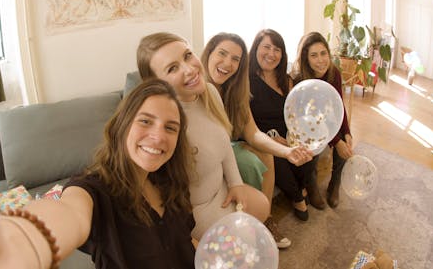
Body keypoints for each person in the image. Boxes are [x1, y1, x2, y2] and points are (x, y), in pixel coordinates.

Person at [0, 79, 197, 269]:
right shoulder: (92, 190)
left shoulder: (171, 182)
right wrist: (15, 242)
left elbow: (184, 240)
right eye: (145, 121)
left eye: (170, 128)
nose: (158, 136)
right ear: (122, 125)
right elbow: (69, 215)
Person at [137, 32, 270, 240]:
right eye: (173, 68)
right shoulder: (164, 126)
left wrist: (236, 183)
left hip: (223, 192)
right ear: (155, 83)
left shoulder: (209, 92)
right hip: (198, 213)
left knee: (263, 206)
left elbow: (225, 144)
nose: (190, 69)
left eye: (188, 55)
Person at [200, 32, 313, 248]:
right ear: (209, 53)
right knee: (252, 159)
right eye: (222, 54)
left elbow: (253, 133)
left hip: (233, 143)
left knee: (267, 153)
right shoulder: (197, 86)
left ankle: (265, 216)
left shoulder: (237, 90)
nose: (227, 63)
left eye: (235, 59)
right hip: (211, 150)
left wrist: (288, 151)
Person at [248, 29, 321, 221]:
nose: (271, 54)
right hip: (263, 135)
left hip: (289, 132)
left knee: (308, 149)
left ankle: (302, 186)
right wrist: (272, 137)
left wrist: (300, 134)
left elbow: (296, 113)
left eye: (277, 49)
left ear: (282, 55)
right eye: (266, 47)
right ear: (256, 49)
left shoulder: (286, 79)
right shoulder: (246, 82)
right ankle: (297, 197)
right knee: (277, 157)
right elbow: (247, 123)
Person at [291, 31, 353, 208]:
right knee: (315, 147)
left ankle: (335, 184)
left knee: (345, 142)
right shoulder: (299, 80)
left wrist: (346, 133)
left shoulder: (334, 74)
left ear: (328, 53)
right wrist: (336, 141)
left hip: (328, 119)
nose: (320, 60)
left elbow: (339, 107)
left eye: (323, 53)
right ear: (306, 59)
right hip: (307, 125)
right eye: (314, 55)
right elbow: (307, 119)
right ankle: (311, 186)